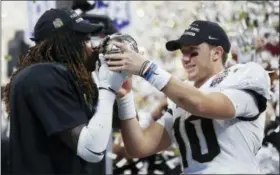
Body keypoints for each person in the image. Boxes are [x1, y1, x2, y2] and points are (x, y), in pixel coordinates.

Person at [105, 20, 271, 173]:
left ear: (216, 53)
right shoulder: (183, 96)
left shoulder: (243, 74)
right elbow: (138, 147)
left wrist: (146, 68)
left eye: (193, 52)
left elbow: (202, 105)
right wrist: (125, 96)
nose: (185, 59)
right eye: (183, 52)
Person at [3, 8, 127, 175]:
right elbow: (92, 150)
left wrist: (122, 81)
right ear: (68, 43)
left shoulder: (65, 79)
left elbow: (119, 123)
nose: (94, 49)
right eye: (86, 41)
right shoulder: (43, 76)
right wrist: (106, 86)